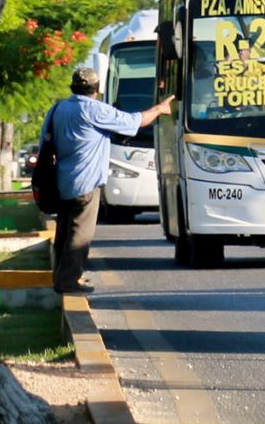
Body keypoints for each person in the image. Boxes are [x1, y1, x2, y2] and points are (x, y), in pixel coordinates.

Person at [42, 67, 174, 293]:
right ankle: (67, 282)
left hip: (61, 181)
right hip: (86, 182)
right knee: (80, 234)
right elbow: (135, 122)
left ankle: (60, 278)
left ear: (73, 86)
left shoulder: (57, 109)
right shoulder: (96, 110)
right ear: (97, 88)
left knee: (64, 233)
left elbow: (46, 142)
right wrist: (159, 109)